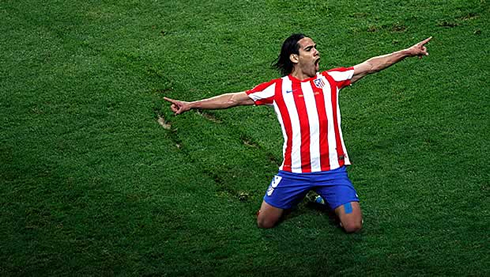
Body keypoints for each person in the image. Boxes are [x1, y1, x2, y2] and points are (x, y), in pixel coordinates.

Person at [164, 34, 431, 233]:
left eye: (315, 48)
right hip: (294, 172)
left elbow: (370, 65)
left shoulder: (330, 80)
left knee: (353, 226)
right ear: (294, 57)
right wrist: (192, 104)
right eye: (310, 49)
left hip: (332, 171)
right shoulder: (277, 89)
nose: (317, 52)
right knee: (264, 222)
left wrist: (406, 52)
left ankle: (322, 198)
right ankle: (304, 194)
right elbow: (234, 99)